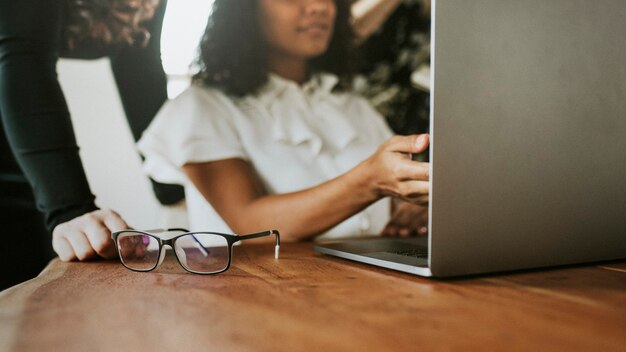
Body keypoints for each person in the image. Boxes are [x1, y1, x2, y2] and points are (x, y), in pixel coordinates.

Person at [138, 0, 430, 242]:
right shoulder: (201, 109)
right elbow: (250, 223)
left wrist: (413, 209)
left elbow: (393, 205)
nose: (318, 6)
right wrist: (370, 181)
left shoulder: (354, 107)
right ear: (246, 9)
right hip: (260, 299)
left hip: (371, 291)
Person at [0, 0, 183, 290]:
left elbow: (141, 72)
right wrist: (70, 209)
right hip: (16, 101)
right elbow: (24, 55)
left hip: (22, 131)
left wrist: (173, 189)